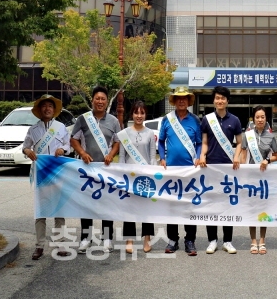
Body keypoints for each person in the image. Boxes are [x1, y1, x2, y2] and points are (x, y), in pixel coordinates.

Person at [71, 85, 121, 254]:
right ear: (92, 100)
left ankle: (107, 238)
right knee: (86, 204)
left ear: (107, 102)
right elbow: (74, 139)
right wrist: (82, 153)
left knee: (107, 203)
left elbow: (118, 142)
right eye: (97, 98)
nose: (100, 101)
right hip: (87, 169)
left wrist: (111, 155)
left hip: (106, 170)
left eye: (103, 99)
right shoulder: (83, 119)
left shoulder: (113, 121)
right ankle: (86, 238)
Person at [22, 94, 71, 260]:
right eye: (44, 106)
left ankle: (61, 244)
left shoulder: (61, 127)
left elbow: (68, 144)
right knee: (40, 211)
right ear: (39, 109)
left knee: (59, 210)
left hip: (57, 173)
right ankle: (39, 245)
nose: (47, 108)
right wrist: (27, 151)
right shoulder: (33, 130)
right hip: (41, 174)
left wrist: (63, 149)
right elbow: (25, 147)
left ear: (54, 109)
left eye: (50, 106)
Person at [158, 87, 202, 256]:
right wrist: (162, 158)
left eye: (184, 98)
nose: (181, 101)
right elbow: (161, 141)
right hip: (171, 170)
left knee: (189, 206)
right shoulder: (167, 119)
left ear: (188, 101)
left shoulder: (195, 120)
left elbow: (199, 143)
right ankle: (172, 239)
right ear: (174, 101)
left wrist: (198, 157)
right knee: (172, 205)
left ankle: (190, 240)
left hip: (189, 171)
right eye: (178, 98)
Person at [199, 86, 242, 254]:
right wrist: (202, 155)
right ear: (213, 100)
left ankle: (228, 241)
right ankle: (212, 240)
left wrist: (236, 156)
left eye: (223, 98)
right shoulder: (207, 120)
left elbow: (239, 142)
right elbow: (204, 142)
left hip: (228, 168)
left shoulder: (235, 120)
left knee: (227, 204)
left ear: (227, 101)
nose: (220, 101)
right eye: (217, 98)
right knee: (211, 203)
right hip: (210, 167)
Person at [234, 105, 277, 255]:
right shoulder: (247, 135)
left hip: (265, 178)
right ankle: (253, 240)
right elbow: (243, 155)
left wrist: (267, 160)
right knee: (252, 209)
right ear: (253, 119)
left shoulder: (271, 136)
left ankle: (262, 240)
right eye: (257, 117)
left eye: (262, 117)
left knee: (263, 208)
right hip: (251, 178)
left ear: (266, 119)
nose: (260, 119)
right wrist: (242, 174)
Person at [118, 100, 157, 254]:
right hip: (129, 177)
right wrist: (121, 174)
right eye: (136, 112)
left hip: (145, 177)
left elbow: (152, 157)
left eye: (142, 113)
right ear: (132, 114)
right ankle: (129, 239)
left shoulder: (150, 133)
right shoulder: (125, 133)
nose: (139, 116)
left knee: (146, 208)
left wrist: (153, 173)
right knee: (129, 208)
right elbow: (122, 157)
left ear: (145, 114)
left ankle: (147, 238)